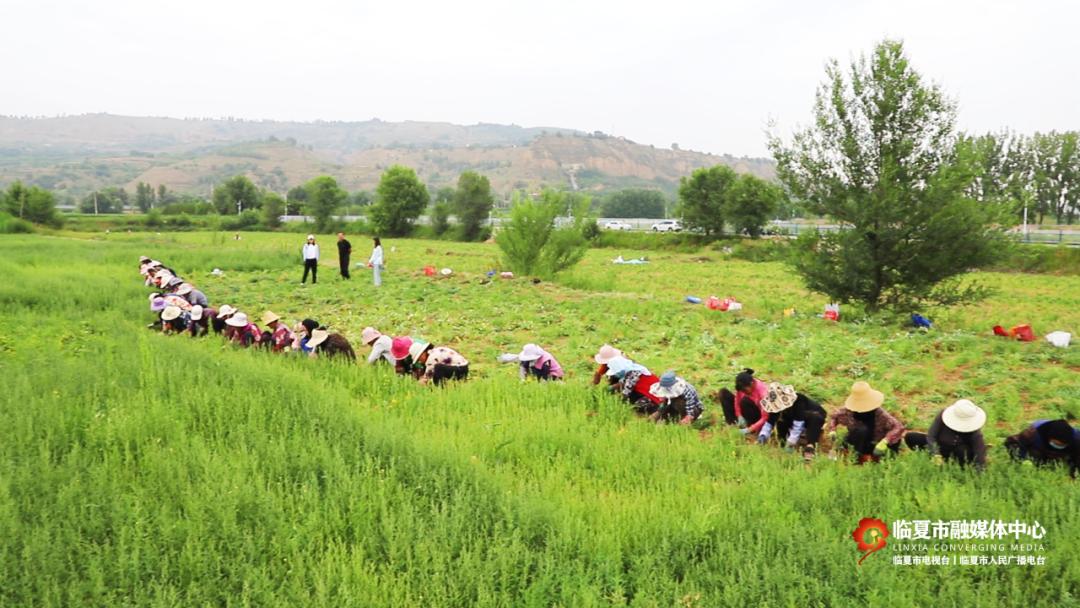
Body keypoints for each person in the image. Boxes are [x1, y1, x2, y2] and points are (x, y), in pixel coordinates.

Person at [826, 381, 906, 464]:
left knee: (890, 449)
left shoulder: (880, 414)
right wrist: (832, 429)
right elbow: (833, 417)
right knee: (861, 431)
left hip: (875, 443)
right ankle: (856, 456)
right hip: (857, 441)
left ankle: (872, 458)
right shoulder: (848, 411)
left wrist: (885, 441)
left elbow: (898, 427)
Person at [904, 399, 988, 470]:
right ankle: (932, 457)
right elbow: (932, 435)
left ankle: (958, 465)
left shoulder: (973, 426)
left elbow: (979, 449)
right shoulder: (942, 415)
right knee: (912, 437)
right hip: (941, 446)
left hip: (958, 451)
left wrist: (980, 469)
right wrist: (935, 453)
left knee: (963, 451)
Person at [754, 383, 827, 461]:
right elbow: (770, 422)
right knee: (781, 420)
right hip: (794, 417)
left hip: (811, 416)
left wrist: (791, 442)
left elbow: (798, 423)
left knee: (814, 417)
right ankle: (782, 443)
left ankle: (810, 447)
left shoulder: (798, 400)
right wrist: (763, 435)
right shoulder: (775, 404)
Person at [1004, 419, 1080, 478]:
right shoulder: (1032, 432)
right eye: (1057, 444)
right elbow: (1012, 443)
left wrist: (1073, 475)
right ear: (1050, 438)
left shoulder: (1076, 437)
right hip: (1039, 450)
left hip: (1061, 454)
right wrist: (1022, 460)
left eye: (1063, 444)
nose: (1060, 446)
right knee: (1036, 457)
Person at [397, 340, 469, 385]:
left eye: (419, 358)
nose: (420, 361)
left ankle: (440, 389)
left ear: (423, 354)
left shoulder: (431, 358)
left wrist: (420, 382)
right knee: (437, 371)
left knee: (438, 369)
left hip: (460, 369)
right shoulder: (433, 352)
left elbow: (428, 376)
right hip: (461, 367)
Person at [719, 368, 768, 433]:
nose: (744, 392)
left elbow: (765, 417)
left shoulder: (762, 392)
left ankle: (750, 426)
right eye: (742, 391)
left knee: (745, 401)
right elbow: (737, 401)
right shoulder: (742, 387)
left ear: (751, 384)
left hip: (758, 416)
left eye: (745, 390)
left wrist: (750, 429)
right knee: (723, 393)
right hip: (745, 411)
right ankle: (732, 424)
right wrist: (739, 415)